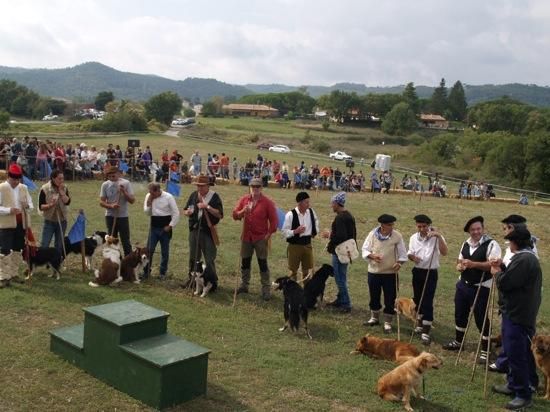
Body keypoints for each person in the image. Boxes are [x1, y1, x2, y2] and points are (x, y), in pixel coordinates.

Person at [490, 225, 541, 411]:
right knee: (516, 352)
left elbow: (507, 283)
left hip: (518, 315)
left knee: (516, 354)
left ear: (515, 243)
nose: (509, 245)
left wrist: (497, 273)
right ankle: (515, 384)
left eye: (510, 241)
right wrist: (503, 266)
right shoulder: (525, 258)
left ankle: (523, 394)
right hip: (517, 312)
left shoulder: (524, 260)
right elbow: (515, 278)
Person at [442, 216, 501, 364]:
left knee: (480, 318)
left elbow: (493, 265)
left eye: (478, 229)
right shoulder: (466, 243)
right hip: (463, 284)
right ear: (469, 231)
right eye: (473, 229)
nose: (476, 232)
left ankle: (485, 350)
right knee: (460, 313)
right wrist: (459, 266)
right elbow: (459, 261)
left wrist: (473, 264)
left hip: (481, 286)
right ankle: (458, 341)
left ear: (483, 228)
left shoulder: (492, 244)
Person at [232, 177, 278, 300]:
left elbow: (274, 222)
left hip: (260, 238)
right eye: (253, 187)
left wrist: (267, 235)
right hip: (246, 236)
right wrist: (242, 211)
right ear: (250, 188)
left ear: (261, 188)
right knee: (245, 262)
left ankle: (266, 289)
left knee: (262, 263)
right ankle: (244, 285)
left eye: (258, 187)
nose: (255, 189)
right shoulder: (244, 200)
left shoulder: (267, 202)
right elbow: (235, 215)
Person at [362, 214, 408, 333]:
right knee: (374, 296)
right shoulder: (372, 234)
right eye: (389, 225)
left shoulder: (397, 236)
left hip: (390, 273)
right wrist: (372, 256)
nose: (391, 227)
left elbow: (403, 254)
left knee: (390, 298)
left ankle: (387, 322)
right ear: (382, 225)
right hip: (374, 271)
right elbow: (365, 249)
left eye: (392, 224)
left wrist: (399, 263)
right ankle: (374, 318)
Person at [407, 214, 448, 345]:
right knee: (417, 298)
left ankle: (426, 331)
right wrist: (412, 257)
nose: (422, 229)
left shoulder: (436, 238)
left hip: (431, 272)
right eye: (419, 226)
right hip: (418, 271)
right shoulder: (414, 237)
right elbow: (410, 252)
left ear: (429, 225)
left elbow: (444, 252)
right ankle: (419, 323)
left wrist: (438, 236)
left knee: (427, 300)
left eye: (424, 226)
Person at [183, 175, 223, 282]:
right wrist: (188, 212)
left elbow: (219, 214)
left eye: (202, 186)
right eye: (198, 186)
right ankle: (192, 279)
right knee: (193, 257)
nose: (199, 188)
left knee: (209, 258)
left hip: (207, 231)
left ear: (208, 186)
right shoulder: (194, 195)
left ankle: (211, 281)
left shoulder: (214, 197)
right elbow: (185, 210)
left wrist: (207, 207)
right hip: (194, 230)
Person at [322, 192, 356, 313]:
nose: (331, 206)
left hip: (340, 253)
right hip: (347, 252)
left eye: (332, 203)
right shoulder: (348, 215)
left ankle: (346, 304)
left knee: (339, 278)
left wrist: (329, 235)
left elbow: (341, 236)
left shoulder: (340, 217)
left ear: (337, 203)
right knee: (342, 277)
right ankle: (340, 299)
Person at [0, 164, 33, 287]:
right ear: (9, 177)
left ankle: (14, 274)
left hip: (21, 223)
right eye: (14, 179)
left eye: (18, 179)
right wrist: (8, 210)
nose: (16, 182)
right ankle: (4, 277)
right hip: (6, 223)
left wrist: (27, 206)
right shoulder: (2, 188)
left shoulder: (23, 188)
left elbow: (30, 204)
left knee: (17, 249)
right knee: (5, 250)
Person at [143, 182, 180, 280]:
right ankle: (146, 272)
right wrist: (149, 203)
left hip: (165, 228)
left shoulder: (168, 197)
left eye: (153, 193)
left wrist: (170, 225)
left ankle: (162, 273)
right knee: (149, 250)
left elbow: (176, 213)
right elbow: (147, 213)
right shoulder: (149, 196)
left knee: (165, 252)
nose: (151, 195)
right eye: (150, 192)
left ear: (158, 191)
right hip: (154, 227)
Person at [281, 191, 320, 282]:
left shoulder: (311, 212)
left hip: (307, 244)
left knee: (306, 271)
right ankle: (293, 291)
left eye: (308, 202)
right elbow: (284, 232)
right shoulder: (290, 215)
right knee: (293, 271)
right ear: (300, 203)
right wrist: (295, 231)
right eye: (306, 202)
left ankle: (306, 292)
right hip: (295, 246)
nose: (308, 204)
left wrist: (314, 231)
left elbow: (316, 221)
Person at [99, 165, 135, 256]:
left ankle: (128, 261)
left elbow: (132, 200)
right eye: (109, 176)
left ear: (118, 174)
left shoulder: (126, 183)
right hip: (110, 216)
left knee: (125, 240)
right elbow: (101, 202)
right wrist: (111, 206)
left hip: (122, 216)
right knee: (112, 239)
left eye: (113, 176)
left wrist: (124, 192)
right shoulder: (105, 185)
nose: (111, 178)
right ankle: (115, 259)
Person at [38, 169, 71, 255]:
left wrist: (62, 192)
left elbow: (67, 202)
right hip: (49, 221)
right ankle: (42, 261)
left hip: (62, 220)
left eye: (62, 178)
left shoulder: (64, 187)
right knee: (45, 244)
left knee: (59, 245)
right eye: (59, 179)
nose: (62, 181)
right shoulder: (45, 188)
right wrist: (50, 205)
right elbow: (41, 206)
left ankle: (57, 262)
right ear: (53, 178)